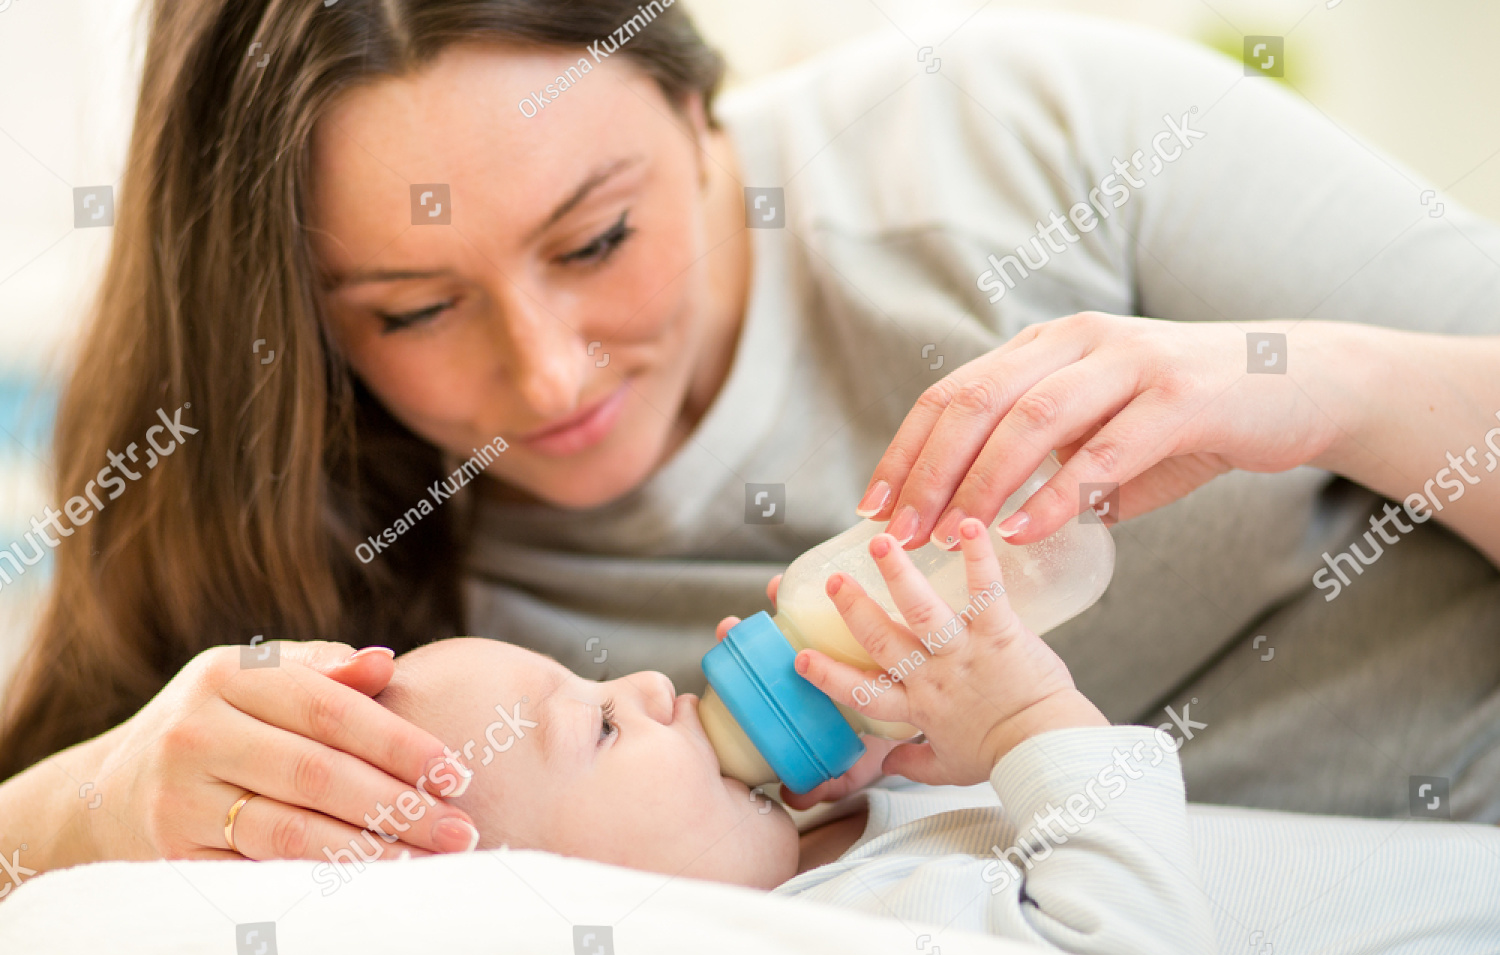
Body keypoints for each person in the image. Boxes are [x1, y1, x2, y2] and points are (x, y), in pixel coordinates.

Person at [3, 0, 1499, 878]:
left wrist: (1319, 385)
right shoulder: (334, 550)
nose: (546, 373)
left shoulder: (1017, 140)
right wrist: (85, 802)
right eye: (408, 311)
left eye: (597, 238)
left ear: (703, 107)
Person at [372, 524, 1500, 955]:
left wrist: (913, 765)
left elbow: (1019, 859)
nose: (642, 686)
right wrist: (1026, 726)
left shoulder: (834, 856)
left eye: (594, 678)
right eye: (600, 727)